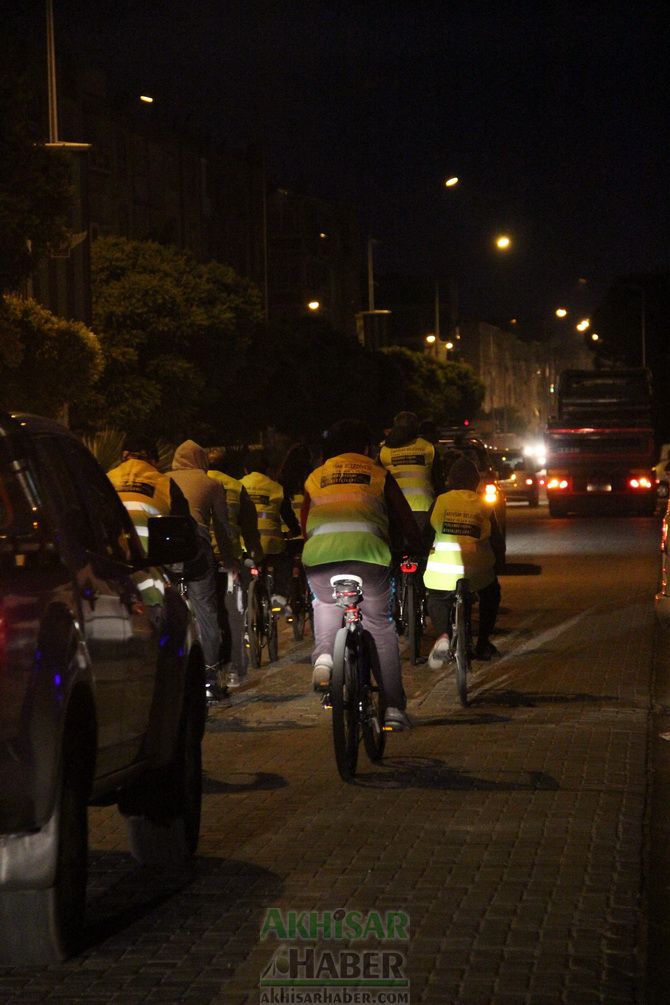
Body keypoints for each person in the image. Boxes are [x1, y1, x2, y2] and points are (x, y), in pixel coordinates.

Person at [301, 418, 423, 732]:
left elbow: (306, 526)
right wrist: (417, 546)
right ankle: (393, 708)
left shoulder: (315, 477)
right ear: (366, 448)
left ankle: (325, 658)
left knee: (325, 604)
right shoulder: (378, 474)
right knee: (379, 626)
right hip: (370, 559)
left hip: (320, 559)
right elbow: (404, 519)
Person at [423, 455, 504, 667]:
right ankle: (483, 643)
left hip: (442, 572)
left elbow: (426, 534)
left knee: (436, 598)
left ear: (450, 480)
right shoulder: (484, 505)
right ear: (475, 482)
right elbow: (496, 539)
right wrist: (499, 564)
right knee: (491, 594)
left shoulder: (440, 501)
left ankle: (443, 636)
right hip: (478, 572)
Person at [170, 439, 232, 697]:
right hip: (197, 548)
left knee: (166, 609)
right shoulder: (213, 483)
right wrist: (230, 559)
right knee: (207, 611)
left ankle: (173, 673)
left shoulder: (163, 480)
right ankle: (211, 677)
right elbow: (223, 527)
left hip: (167, 547)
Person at [107, 433, 191, 609]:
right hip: (150, 565)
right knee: (170, 615)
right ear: (155, 461)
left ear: (123, 456)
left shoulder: (106, 479)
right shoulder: (165, 483)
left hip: (109, 564)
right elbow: (184, 527)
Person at [207, 447, 263, 689]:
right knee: (231, 614)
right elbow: (249, 528)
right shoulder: (236, 487)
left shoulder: (198, 482)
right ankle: (231, 670)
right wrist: (255, 553)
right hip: (226, 558)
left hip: (196, 557)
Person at [241, 451, 301, 613]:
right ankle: (279, 596)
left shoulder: (238, 485)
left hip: (244, 544)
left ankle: (246, 601)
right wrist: (294, 531)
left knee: (244, 569)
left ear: (245, 470)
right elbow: (288, 517)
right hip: (271, 544)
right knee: (284, 561)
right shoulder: (276, 488)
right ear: (267, 470)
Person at [378, 411, 445, 532]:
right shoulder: (428, 448)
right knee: (421, 547)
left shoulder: (384, 451)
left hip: (395, 509)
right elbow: (438, 481)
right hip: (424, 508)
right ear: (416, 427)